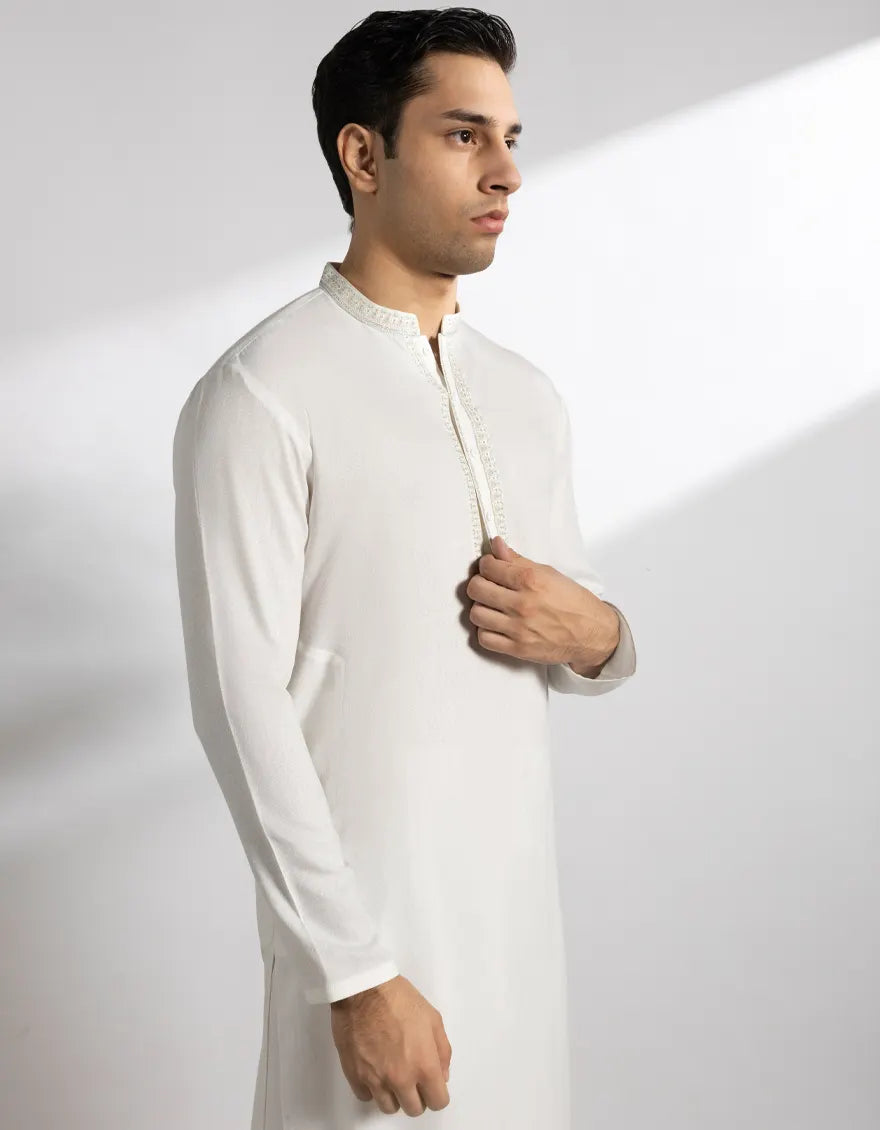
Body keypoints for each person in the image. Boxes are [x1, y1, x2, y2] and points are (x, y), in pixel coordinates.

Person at [172, 8, 637, 1128]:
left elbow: (576, 635)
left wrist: (605, 638)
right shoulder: (262, 392)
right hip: (369, 961)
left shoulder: (526, 396)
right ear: (363, 154)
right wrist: (353, 970)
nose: (506, 171)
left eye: (510, 138)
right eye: (464, 134)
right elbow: (238, 701)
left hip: (518, 946)